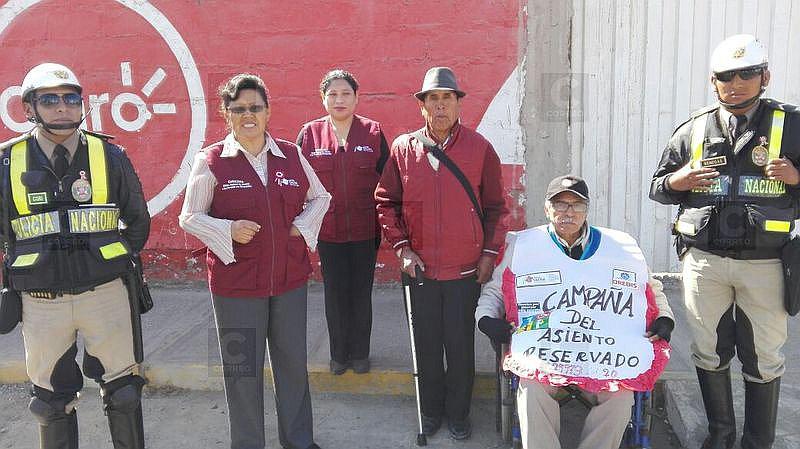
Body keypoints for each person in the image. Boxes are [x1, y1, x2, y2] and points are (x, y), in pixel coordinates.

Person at [650, 34, 800, 449]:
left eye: (746, 73)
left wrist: (796, 177)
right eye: (725, 76)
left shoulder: (792, 124)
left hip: (765, 262)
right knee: (708, 349)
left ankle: (757, 443)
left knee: (764, 356)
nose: (736, 83)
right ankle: (720, 436)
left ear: (765, 76)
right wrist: (677, 181)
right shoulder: (694, 127)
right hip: (705, 262)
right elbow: (658, 187)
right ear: (712, 81)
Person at [0, 63, 151, 449]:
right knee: (49, 402)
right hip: (41, 303)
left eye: (71, 98)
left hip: (106, 294)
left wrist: (109, 264)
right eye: (49, 99)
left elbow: (137, 221)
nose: (62, 106)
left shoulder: (109, 154)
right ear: (29, 108)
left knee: (125, 392)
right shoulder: (7, 162)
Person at [179, 73, 330, 449]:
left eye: (255, 108)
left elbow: (321, 197)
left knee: (292, 364)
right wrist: (227, 229)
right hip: (235, 287)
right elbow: (190, 217)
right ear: (226, 114)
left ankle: (298, 440)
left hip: (289, 281)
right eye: (239, 109)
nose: (248, 115)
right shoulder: (211, 160)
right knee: (242, 370)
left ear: (268, 111)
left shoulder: (290, 155)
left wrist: (301, 226)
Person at [477, 175, 674, 449]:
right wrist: (486, 319)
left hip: (604, 352)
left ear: (587, 210)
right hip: (546, 351)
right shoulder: (523, 246)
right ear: (547, 209)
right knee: (531, 390)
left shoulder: (620, 248)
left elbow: (649, 289)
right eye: (560, 204)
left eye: (576, 205)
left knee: (621, 398)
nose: (568, 212)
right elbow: (495, 291)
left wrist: (664, 317)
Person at [375, 66, 508, 440]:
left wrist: (488, 254)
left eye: (447, 98)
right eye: (432, 98)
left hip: (465, 271)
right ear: (422, 106)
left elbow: (497, 207)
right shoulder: (403, 149)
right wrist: (402, 248)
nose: (440, 106)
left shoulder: (479, 148)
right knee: (427, 346)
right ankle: (430, 411)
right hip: (419, 271)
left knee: (460, 347)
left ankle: (459, 413)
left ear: (458, 103)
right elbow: (386, 202)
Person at [296, 69, 389, 375]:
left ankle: (360, 354)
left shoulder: (373, 132)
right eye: (333, 94)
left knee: (361, 293)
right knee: (335, 294)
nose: (339, 100)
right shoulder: (309, 134)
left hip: (365, 230)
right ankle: (339, 356)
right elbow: (298, 183)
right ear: (323, 98)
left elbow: (388, 181)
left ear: (356, 97)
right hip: (328, 231)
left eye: (346, 93)